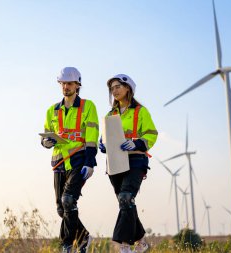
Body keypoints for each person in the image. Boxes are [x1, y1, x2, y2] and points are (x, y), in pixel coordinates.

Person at [41, 67, 99, 253]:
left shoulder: (88, 107)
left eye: (70, 83)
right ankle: (83, 237)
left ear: (77, 85)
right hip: (58, 161)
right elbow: (45, 137)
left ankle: (67, 245)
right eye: (63, 83)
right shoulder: (52, 110)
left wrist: (90, 162)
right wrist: (46, 141)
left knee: (68, 200)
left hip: (79, 159)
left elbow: (91, 135)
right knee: (61, 209)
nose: (66, 86)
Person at [99, 74, 158, 253]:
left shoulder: (141, 111)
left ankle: (124, 245)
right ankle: (141, 241)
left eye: (118, 86)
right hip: (115, 163)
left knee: (125, 197)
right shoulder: (110, 115)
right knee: (126, 203)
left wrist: (137, 143)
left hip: (136, 161)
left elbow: (151, 135)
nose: (114, 90)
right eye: (112, 88)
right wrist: (103, 144)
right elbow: (104, 139)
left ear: (128, 89)